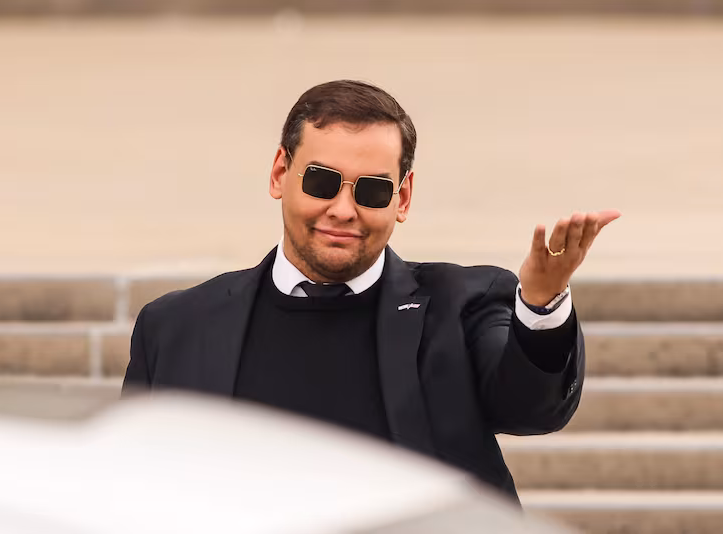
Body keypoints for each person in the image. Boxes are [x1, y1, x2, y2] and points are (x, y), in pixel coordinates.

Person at [123, 80, 620, 501]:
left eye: (372, 190)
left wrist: (541, 305)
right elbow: (128, 490)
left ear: (401, 198)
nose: (342, 209)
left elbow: (532, 408)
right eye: (322, 182)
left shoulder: (461, 304)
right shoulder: (174, 327)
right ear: (280, 173)